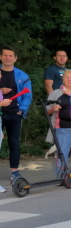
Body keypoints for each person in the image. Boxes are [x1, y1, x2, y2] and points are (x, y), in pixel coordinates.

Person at [1, 45, 32, 184]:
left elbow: (27, 95)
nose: (8, 58)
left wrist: (22, 110)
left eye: (10, 55)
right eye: (5, 55)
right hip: (0, 113)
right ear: (0, 57)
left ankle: (14, 172)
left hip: (14, 113)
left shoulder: (22, 75)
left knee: (14, 143)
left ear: (15, 58)